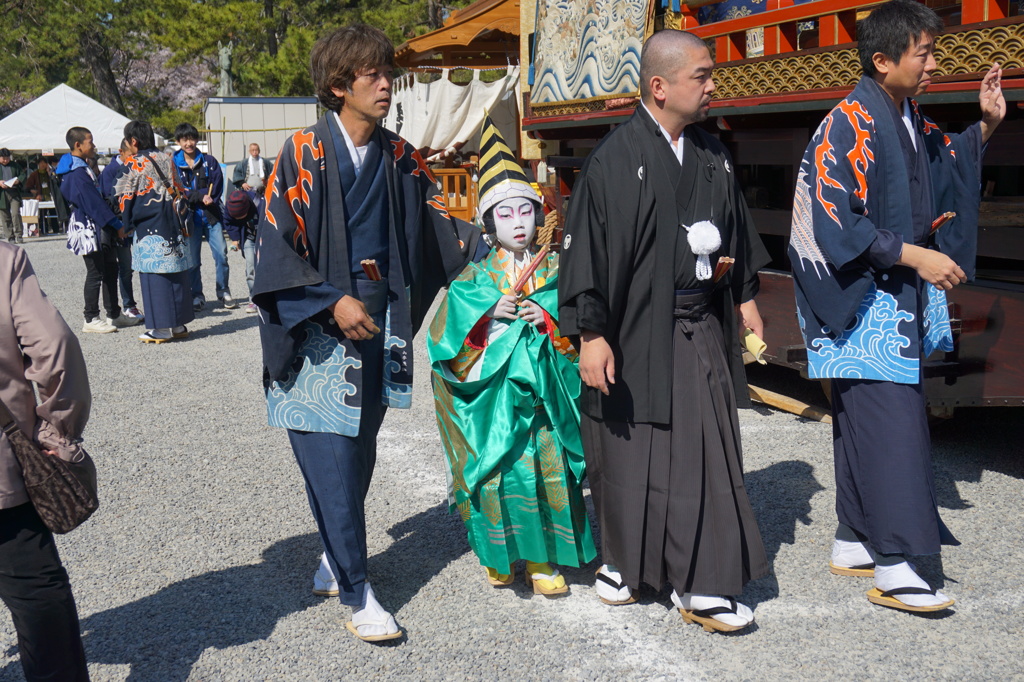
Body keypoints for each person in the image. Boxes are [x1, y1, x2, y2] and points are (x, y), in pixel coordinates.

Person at [252, 23, 479, 642]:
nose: (386, 84)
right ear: (337, 85)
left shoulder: (401, 155)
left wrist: (497, 249)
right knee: (329, 460)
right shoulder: (304, 151)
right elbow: (274, 249)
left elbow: (441, 233)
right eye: (372, 75)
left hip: (379, 324)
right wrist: (331, 301)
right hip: (317, 332)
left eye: (387, 72)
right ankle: (359, 592)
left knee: (359, 453)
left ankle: (334, 550)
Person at [789, 0, 1005, 613]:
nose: (935, 63)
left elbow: (944, 162)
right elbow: (836, 226)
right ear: (882, 61)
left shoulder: (904, 114)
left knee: (864, 421)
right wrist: (917, 257)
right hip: (857, 296)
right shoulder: (846, 124)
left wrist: (985, 125)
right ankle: (898, 562)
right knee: (891, 425)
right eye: (925, 53)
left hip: (886, 291)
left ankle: (856, 538)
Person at [558, 29, 770, 633]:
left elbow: (735, 229)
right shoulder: (614, 159)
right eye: (701, 75)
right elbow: (589, 254)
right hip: (630, 329)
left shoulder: (711, 152)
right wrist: (591, 333)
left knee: (701, 449)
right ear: (660, 86)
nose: (711, 84)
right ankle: (627, 563)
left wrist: (746, 296)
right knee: (628, 452)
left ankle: (700, 582)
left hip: (695, 319)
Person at [427, 118, 595, 596]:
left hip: (543, 402)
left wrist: (549, 321)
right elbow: (445, 345)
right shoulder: (475, 282)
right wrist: (488, 317)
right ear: (488, 223)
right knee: (501, 478)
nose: (519, 223)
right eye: (506, 215)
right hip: (496, 405)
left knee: (548, 473)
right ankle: (501, 556)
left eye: (526, 212)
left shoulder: (557, 272)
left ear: (539, 216)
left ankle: (544, 560)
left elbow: (578, 328)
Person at [0, 242, 91, 681]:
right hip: (2, 472)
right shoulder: (4, 259)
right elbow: (55, 345)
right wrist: (57, 430)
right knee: (38, 596)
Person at [115, 120, 196, 343]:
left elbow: (124, 197)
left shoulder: (133, 163)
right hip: (173, 222)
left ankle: (160, 328)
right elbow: (180, 189)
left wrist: (126, 222)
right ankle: (179, 325)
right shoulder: (166, 159)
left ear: (133, 141)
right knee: (176, 274)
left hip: (149, 225)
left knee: (154, 277)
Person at [56, 127, 139, 334]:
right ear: (78, 145)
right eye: (90, 142)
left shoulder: (82, 167)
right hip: (88, 226)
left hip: (100, 225)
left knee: (111, 269)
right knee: (96, 272)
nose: (93, 146)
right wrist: (117, 224)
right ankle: (91, 317)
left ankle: (114, 314)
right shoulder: (75, 173)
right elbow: (92, 203)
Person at [173, 123, 236, 310]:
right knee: (192, 260)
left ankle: (223, 291)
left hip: (211, 216)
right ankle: (196, 295)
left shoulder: (209, 161)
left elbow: (216, 184)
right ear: (178, 142)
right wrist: (200, 196)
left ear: (196, 140)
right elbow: (179, 190)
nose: (188, 143)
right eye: (184, 140)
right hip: (188, 218)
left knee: (222, 255)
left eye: (191, 139)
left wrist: (206, 197)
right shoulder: (174, 164)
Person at [100, 140, 144, 324]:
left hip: (129, 225)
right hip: (116, 227)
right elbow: (106, 201)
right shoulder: (109, 172)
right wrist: (119, 224)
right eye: (131, 155)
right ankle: (123, 307)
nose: (134, 158)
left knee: (127, 267)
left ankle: (128, 305)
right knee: (120, 268)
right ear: (121, 152)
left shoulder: (133, 168)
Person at [223, 189, 260, 313]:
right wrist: (235, 239)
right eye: (236, 217)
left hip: (264, 236)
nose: (238, 219)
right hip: (248, 238)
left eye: (241, 216)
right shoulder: (229, 207)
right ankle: (254, 299)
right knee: (251, 267)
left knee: (268, 266)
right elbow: (229, 223)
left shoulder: (258, 202)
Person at [0, 149, 25, 244]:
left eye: (7, 158)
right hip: (2, 194)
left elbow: (22, 175)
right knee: (5, 216)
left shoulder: (15, 165)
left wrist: (18, 181)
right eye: (3, 158)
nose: (5, 160)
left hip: (14, 192)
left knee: (15, 213)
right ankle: (10, 236)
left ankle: (19, 235)